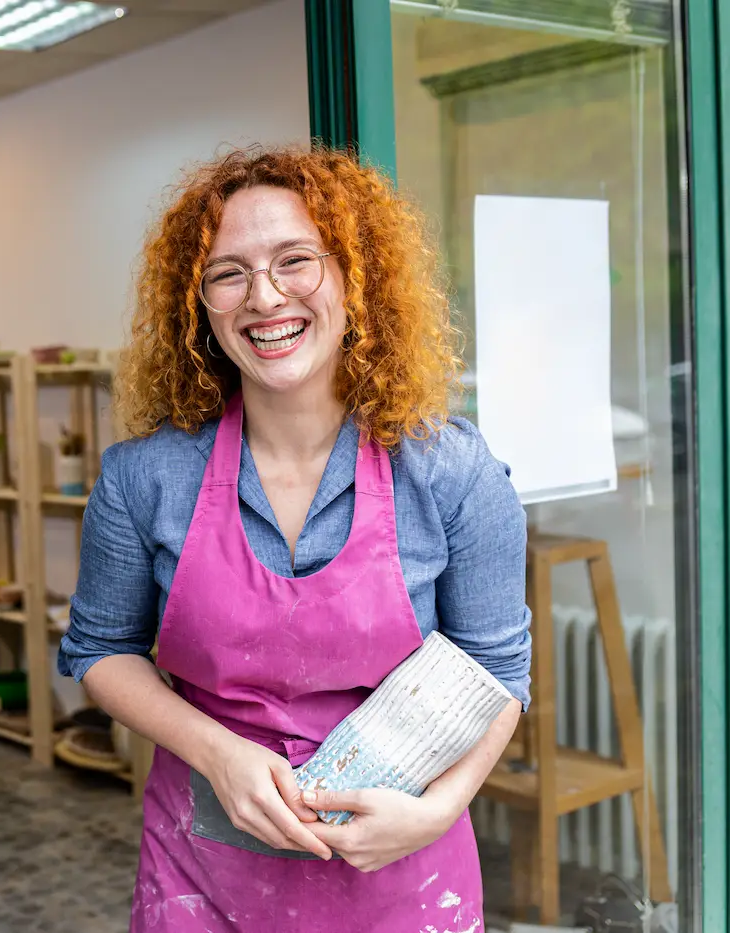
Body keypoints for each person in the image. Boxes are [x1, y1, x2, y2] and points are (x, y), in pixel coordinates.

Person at [58, 145, 531, 931]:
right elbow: (100, 649)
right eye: (228, 273)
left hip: (400, 868)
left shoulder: (450, 471)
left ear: (354, 277)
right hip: (204, 876)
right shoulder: (145, 479)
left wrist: (438, 809)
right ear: (199, 305)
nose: (264, 295)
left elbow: (499, 671)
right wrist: (217, 752)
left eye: (296, 260)